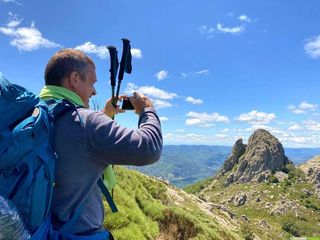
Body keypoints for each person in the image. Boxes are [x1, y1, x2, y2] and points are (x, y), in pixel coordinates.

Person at [39, 49, 163, 237]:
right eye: (92, 82)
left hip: (37, 230)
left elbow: (76, 147)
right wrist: (148, 111)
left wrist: (105, 115)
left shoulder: (35, 115)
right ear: (74, 79)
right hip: (78, 234)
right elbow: (149, 148)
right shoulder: (85, 122)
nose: (94, 91)